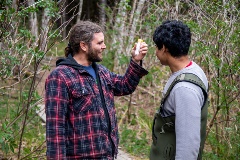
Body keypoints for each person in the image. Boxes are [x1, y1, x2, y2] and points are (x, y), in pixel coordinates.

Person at [45, 20, 148, 159]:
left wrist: (136, 61)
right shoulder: (60, 76)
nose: (104, 46)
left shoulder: (101, 72)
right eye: (99, 43)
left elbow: (125, 86)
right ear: (83, 46)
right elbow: (55, 131)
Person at [150, 20, 208, 160]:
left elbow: (189, 146)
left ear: (164, 48)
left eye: (157, 48)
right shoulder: (193, 69)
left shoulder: (185, 89)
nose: (156, 52)